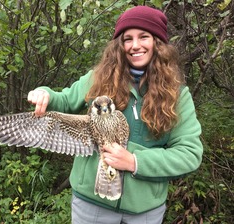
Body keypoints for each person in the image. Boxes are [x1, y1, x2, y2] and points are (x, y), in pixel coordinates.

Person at [27, 5, 203, 224]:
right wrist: (44, 94)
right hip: (91, 204)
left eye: (144, 37)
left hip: (145, 209)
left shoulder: (177, 95)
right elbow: (63, 100)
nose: (135, 45)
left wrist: (134, 161)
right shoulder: (99, 78)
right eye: (127, 39)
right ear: (119, 45)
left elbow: (189, 154)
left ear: (158, 43)